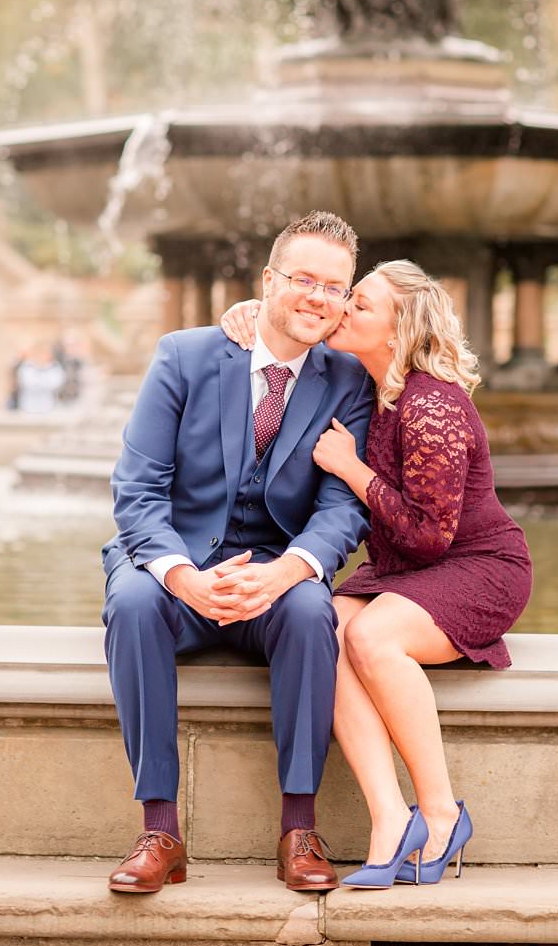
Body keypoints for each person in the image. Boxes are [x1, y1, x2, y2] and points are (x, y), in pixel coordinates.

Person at [220, 260, 531, 887]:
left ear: (397, 329)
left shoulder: (430, 405)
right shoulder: (376, 392)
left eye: (358, 304)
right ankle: (390, 816)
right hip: (411, 574)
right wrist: (247, 315)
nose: (340, 309)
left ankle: (442, 813)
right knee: (323, 622)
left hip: (477, 568)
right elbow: (285, 329)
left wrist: (349, 468)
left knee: (370, 636)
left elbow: (428, 537)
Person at [101, 211, 374, 895]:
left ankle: (299, 828)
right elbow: (137, 489)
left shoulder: (349, 381)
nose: (317, 296)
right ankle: (159, 827)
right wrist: (185, 579)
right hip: (179, 566)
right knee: (133, 600)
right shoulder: (184, 356)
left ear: (344, 301)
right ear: (268, 281)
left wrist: (286, 570)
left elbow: (344, 506)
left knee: (316, 609)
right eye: (302, 279)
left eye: (334, 286)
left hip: (274, 576)